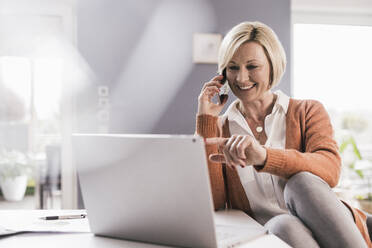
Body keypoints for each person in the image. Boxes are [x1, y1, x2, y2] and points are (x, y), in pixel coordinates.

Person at [196, 21, 371, 248]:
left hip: (332, 229)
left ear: (272, 65)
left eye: (252, 66)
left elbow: (330, 170)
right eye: (233, 67)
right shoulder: (220, 130)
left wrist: (264, 157)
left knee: (302, 182)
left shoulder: (307, 111)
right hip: (278, 237)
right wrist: (206, 121)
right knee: (282, 225)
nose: (241, 78)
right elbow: (214, 205)